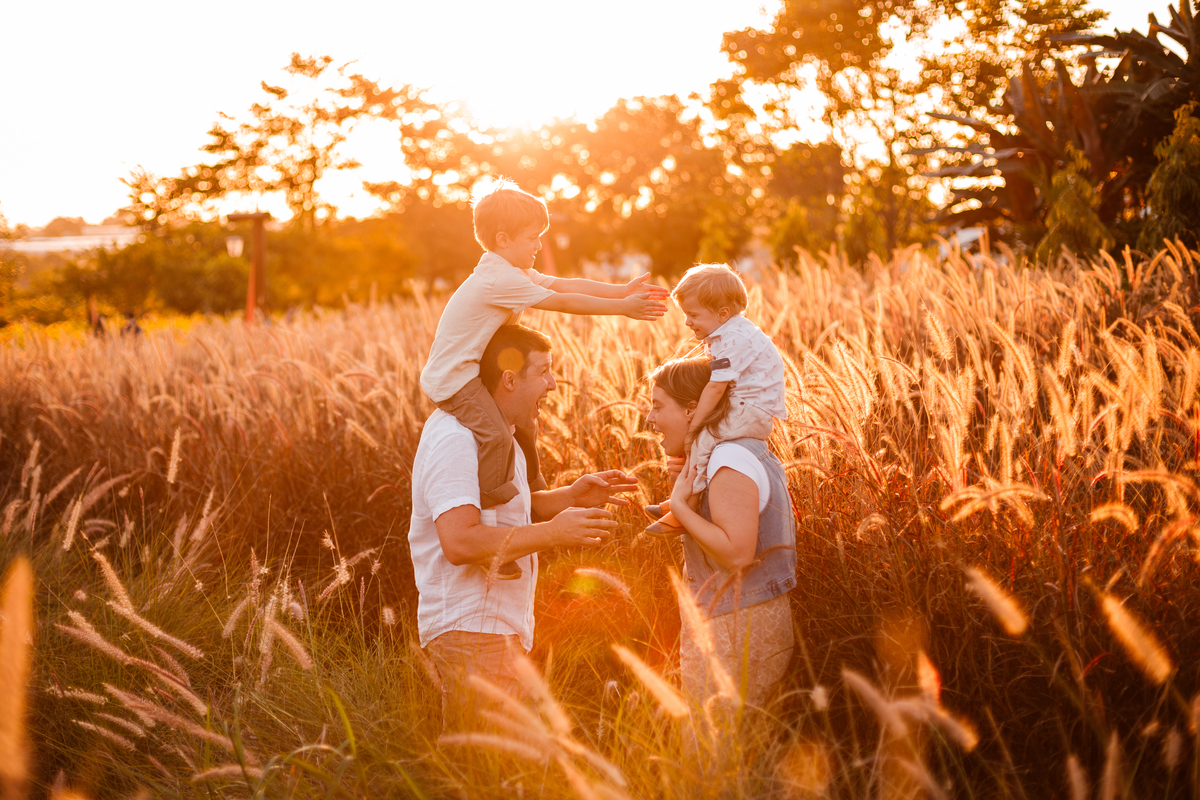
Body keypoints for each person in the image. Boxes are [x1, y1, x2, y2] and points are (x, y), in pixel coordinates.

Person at [421, 180, 668, 579]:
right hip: (454, 380)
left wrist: (620, 289)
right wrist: (622, 308)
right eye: (533, 238)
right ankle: (493, 538)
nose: (538, 246)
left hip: (468, 372)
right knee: (498, 436)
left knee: (524, 430)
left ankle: (527, 499)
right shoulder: (496, 279)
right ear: (503, 239)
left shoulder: (510, 271)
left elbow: (566, 284)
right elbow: (564, 302)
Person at [410, 324, 638, 732]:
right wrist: (554, 533)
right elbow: (460, 540)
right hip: (471, 625)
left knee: (496, 769)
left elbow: (502, 512)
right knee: (486, 774)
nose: (553, 384)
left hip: (495, 624)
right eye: (545, 371)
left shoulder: (500, 438)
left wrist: (568, 497)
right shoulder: (456, 437)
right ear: (510, 379)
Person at [644, 356, 796, 748]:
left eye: (658, 406)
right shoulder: (730, 454)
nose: (649, 418)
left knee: (714, 762)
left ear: (693, 409)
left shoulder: (730, 461)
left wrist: (679, 509)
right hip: (739, 621)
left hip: (735, 628)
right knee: (735, 757)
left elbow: (738, 553)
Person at [647, 265, 787, 535]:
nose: (687, 322)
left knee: (704, 439)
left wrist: (696, 428)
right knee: (703, 441)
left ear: (723, 314)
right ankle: (682, 501)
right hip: (745, 406)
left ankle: (684, 508)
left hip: (751, 411)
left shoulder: (735, 338)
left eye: (693, 315)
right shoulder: (726, 333)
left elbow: (714, 388)